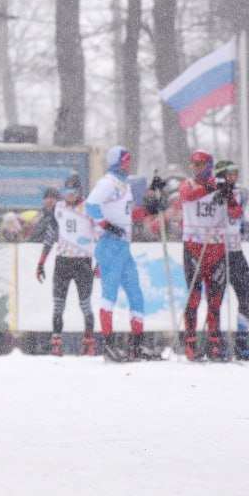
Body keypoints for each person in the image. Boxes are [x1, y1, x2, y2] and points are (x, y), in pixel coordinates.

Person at [86, 146, 160, 362]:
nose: (129, 165)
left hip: (123, 246)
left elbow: (127, 214)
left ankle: (137, 345)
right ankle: (107, 344)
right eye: (126, 161)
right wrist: (106, 225)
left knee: (136, 294)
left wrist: (149, 209)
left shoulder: (123, 184)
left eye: (129, 161)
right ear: (117, 162)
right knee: (109, 295)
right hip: (110, 244)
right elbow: (90, 204)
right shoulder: (108, 182)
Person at [178, 150, 236, 361]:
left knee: (215, 299)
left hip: (216, 248)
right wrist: (211, 188)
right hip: (194, 247)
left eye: (200, 163)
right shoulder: (188, 184)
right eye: (193, 163)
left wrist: (228, 194)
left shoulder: (220, 184)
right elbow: (187, 196)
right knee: (194, 297)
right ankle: (191, 343)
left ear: (209, 165)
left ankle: (214, 343)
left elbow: (237, 213)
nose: (196, 167)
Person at [36, 173, 95, 357]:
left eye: (73, 191)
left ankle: (89, 341)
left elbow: (99, 234)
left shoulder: (89, 208)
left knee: (85, 305)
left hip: (83, 261)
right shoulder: (58, 208)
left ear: (79, 191)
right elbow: (50, 236)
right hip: (63, 261)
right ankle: (56, 343)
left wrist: (100, 261)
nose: (69, 195)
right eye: (66, 191)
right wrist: (41, 262)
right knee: (58, 305)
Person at [212, 161, 249, 360]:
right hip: (218, 252)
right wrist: (218, 192)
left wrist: (228, 193)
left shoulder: (242, 192)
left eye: (235, 173)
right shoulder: (212, 190)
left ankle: (241, 341)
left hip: (236, 252)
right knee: (216, 299)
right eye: (230, 174)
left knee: (245, 296)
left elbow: (237, 213)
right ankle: (215, 343)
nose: (234, 177)